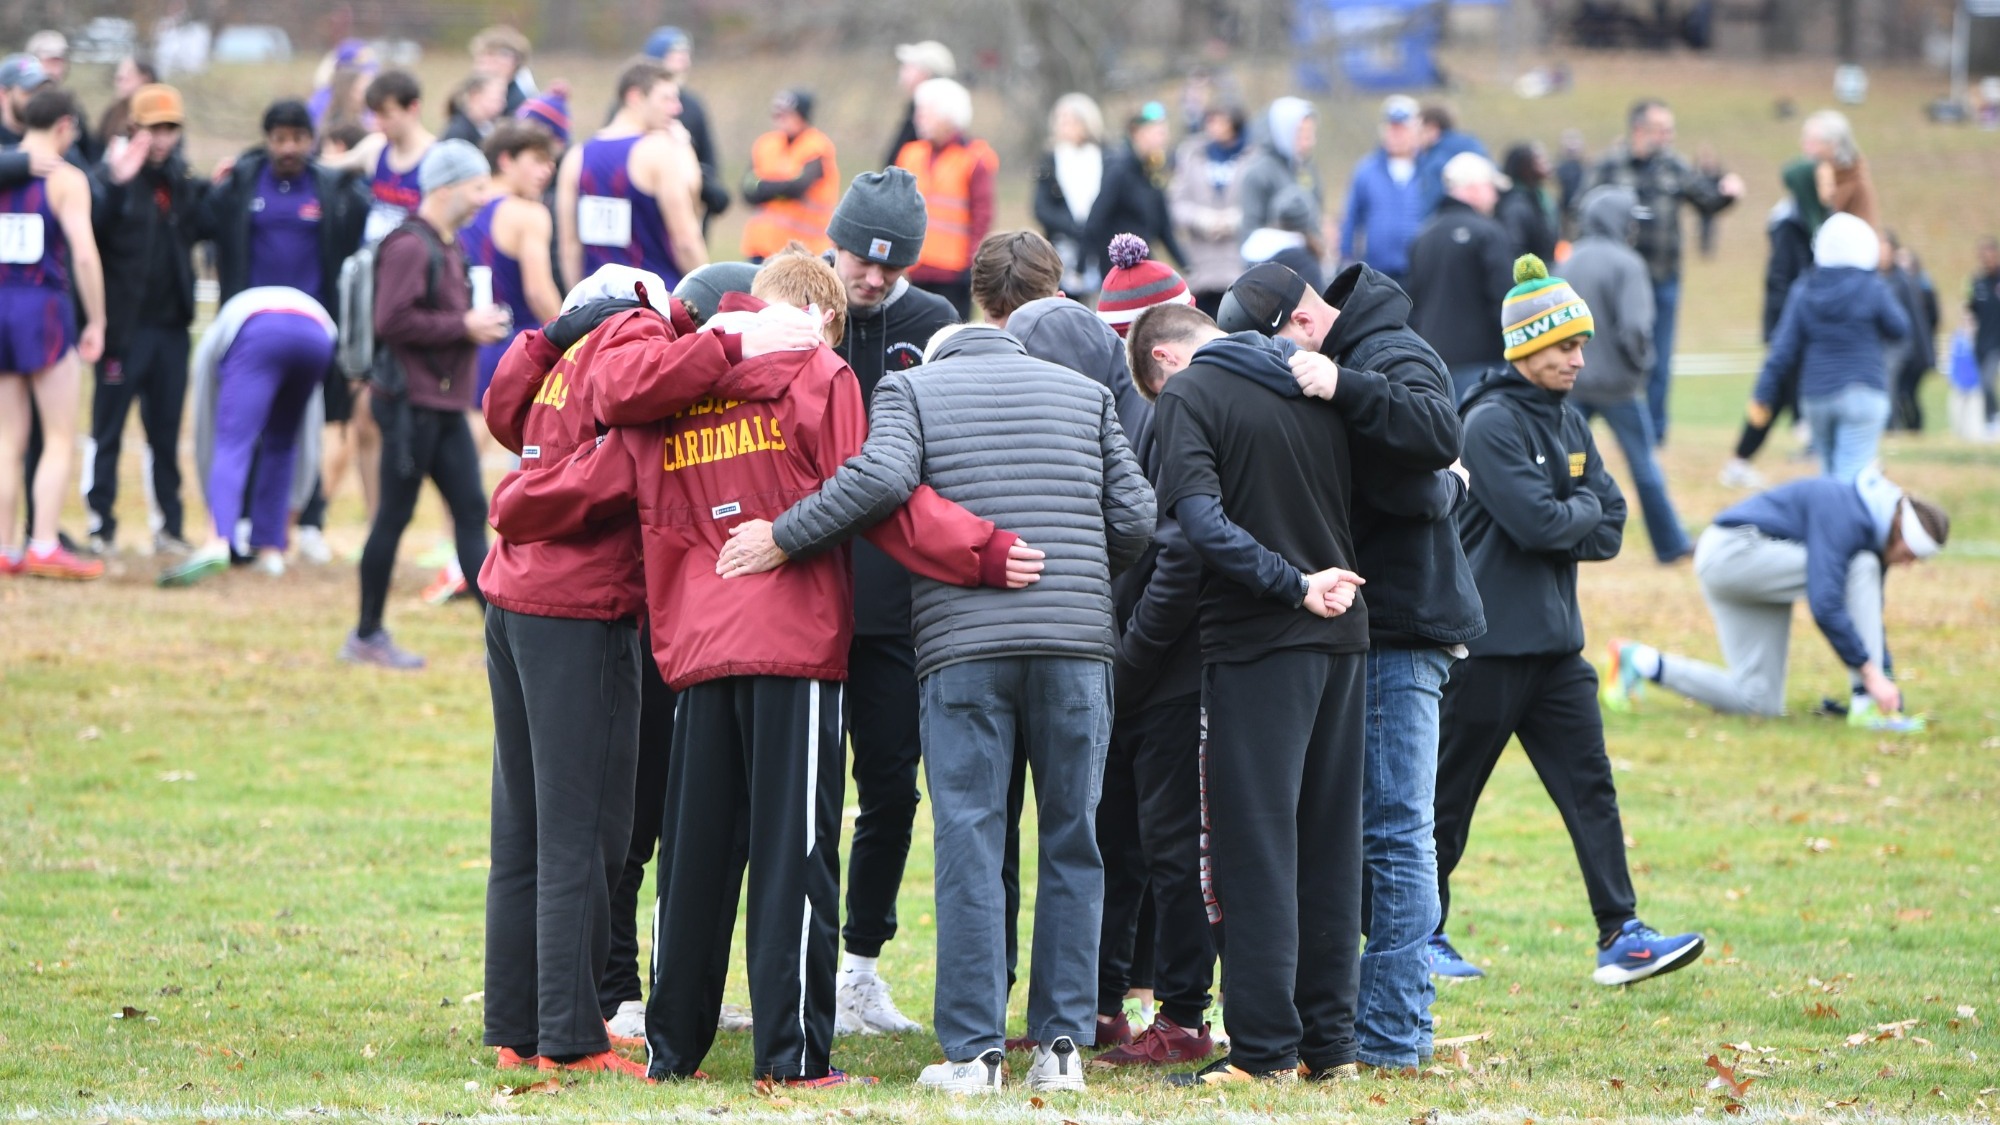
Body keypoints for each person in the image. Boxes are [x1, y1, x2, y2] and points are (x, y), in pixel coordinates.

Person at [492, 251, 1031, 1087]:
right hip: (793, 642)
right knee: (795, 857)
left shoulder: (675, 385)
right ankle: (792, 1057)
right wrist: (987, 551)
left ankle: (674, 1051)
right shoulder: (820, 373)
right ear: (823, 316)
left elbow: (573, 483)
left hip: (696, 649)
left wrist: (509, 503)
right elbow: (880, 497)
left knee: (694, 860)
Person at [715, 317, 1153, 1095]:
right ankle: (1060, 1049)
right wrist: (1076, 572)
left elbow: (880, 482)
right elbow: (1136, 518)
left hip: (964, 647)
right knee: (1071, 841)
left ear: (941, 353)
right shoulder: (1087, 394)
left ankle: (976, 1052)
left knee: (971, 840)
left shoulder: (908, 387)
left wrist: (785, 535)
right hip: (1078, 642)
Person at [476, 262, 803, 1080]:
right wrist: (733, 341)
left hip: (514, 599)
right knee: (585, 833)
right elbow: (632, 399)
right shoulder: (632, 336)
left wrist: (548, 338)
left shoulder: (568, 354)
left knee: (523, 831)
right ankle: (571, 1036)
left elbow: (505, 417)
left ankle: (518, 1021)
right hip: (577, 610)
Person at [1214, 257, 1480, 1074]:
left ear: (1300, 325)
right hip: (1360, 622)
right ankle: (1347, 1023)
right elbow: (1426, 482)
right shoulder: (1352, 357)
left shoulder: (1387, 349)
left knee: (1396, 831)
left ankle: (1395, 1035)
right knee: (1354, 832)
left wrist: (1342, 391)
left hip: (1401, 622)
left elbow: (1439, 442)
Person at [1432, 254, 1703, 987]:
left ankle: (1621, 934)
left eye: (1581, 345)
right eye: (1564, 346)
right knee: (1445, 801)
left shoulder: (1570, 417)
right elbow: (1541, 524)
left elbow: (1610, 524)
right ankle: (1415, 935)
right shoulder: (1487, 423)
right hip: (1485, 648)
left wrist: (1571, 513)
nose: (1579, 358)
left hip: (1555, 649)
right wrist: (1574, 511)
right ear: (1525, 349)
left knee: (1592, 789)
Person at [1128, 301, 1365, 1086]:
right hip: (1344, 635)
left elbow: (1196, 521)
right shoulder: (1311, 381)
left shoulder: (1194, 393)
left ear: (1167, 365)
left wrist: (1291, 584)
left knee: (1251, 851)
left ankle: (1263, 1053)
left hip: (1263, 642)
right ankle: (1329, 1049)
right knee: (1329, 846)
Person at [815, 170, 963, 1035]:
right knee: (787, 793)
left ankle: (859, 968)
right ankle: (765, 955)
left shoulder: (931, 326)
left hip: (896, 605)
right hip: (805, 590)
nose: (870, 278)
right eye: (857, 260)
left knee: (890, 791)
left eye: (890, 265)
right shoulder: (797, 310)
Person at [1076, 254, 1216, 1070]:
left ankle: (1184, 1010)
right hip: (1132, 654)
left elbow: (1178, 556)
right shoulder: (1136, 408)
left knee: (1170, 842)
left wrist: (1127, 665)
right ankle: (1102, 1000)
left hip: (1164, 663)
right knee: (1117, 835)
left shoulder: (1175, 413)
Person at [339, 140, 512, 669]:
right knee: (393, 516)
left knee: (469, 513)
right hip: (410, 406)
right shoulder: (411, 246)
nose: (486, 197)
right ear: (447, 186)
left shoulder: (448, 244)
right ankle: (366, 634)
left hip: (441, 405)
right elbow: (391, 321)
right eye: (479, 186)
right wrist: (464, 326)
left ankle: (503, 644)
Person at [1604, 471, 1945, 731]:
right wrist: (1871, 677)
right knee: (1862, 565)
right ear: (1898, 529)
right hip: (1733, 552)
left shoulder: (1873, 532)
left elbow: (1869, 615)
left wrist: (1886, 676)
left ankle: (1640, 661)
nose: (1909, 565)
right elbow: (1825, 604)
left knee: (1757, 701)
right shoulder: (1846, 512)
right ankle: (1866, 705)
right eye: (1910, 554)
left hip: (1744, 569)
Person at [202, 98, 372, 563]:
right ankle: (251, 536)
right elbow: (199, 220)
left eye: (298, 138)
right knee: (259, 434)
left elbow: (370, 219)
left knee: (272, 437)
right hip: (251, 322)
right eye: (280, 138)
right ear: (267, 139)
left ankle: (249, 536)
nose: (289, 147)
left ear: (311, 139)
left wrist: (355, 166)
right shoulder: (240, 184)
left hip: (311, 329)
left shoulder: (331, 189)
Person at [82, 84, 205, 559]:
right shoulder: (110, 179)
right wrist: (113, 182)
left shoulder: (180, 181)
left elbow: (203, 224)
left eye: (171, 128)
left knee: (166, 434)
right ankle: (100, 525)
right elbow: (89, 231)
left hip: (171, 330)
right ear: (134, 127)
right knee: (107, 430)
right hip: (123, 331)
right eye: (154, 128)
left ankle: (169, 527)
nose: (162, 139)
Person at [1586, 98, 1744, 445]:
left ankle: (1653, 433)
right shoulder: (1610, 166)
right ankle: (1589, 427)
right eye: (1663, 129)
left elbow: (1706, 201)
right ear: (1640, 130)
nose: (1669, 136)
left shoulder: (1674, 166)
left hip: (1662, 279)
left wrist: (1728, 194)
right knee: (1603, 352)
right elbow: (1582, 209)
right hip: (1613, 285)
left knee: (1658, 356)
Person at [160, 288, 337, 585]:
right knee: (283, 444)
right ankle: (271, 549)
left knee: (232, 442)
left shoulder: (216, 337)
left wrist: (211, 506)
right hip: (318, 339)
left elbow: (209, 429)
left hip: (260, 334)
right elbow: (310, 435)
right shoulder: (295, 307)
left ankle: (217, 541)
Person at [0, 88, 104, 579]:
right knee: (59, 435)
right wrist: (98, 319)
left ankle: (5, 547)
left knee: (6, 439)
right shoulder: (66, 179)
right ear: (64, 126)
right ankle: (43, 541)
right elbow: (83, 253)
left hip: (1, 301)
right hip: (43, 305)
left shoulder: (6, 168)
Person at [1564, 186, 1692, 563]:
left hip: (1572, 385)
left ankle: (1564, 539)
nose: (1635, 228)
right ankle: (1670, 544)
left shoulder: (1568, 260)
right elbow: (1636, 328)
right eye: (1632, 220)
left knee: (1571, 463)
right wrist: (1642, 366)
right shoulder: (1627, 264)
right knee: (1644, 466)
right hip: (1619, 388)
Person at [1751, 213, 1906, 482]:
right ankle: (1842, 522)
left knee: (1830, 473)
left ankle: (1830, 520)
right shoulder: (1872, 287)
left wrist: (1762, 393)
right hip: (1863, 390)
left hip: (1817, 395)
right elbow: (1900, 328)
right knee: (1851, 476)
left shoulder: (1804, 288)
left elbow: (1782, 349)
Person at [556, 61, 706, 294]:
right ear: (635, 96)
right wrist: (709, 297)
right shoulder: (658, 151)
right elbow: (686, 239)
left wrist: (580, 306)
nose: (676, 109)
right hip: (655, 304)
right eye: (666, 99)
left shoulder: (576, 157)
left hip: (599, 306)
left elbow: (569, 246)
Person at [1720, 159, 1822, 490]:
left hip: (1795, 323)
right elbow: (1780, 279)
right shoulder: (1789, 223)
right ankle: (1745, 459)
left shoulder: (1805, 218)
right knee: (1778, 392)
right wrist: (1783, 330)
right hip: (1789, 325)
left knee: (1777, 395)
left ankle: (1740, 460)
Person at [460, 121, 562, 407]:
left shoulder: (460, 204)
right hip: (514, 346)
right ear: (506, 160)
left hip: (463, 343)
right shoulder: (528, 214)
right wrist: (573, 340)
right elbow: (538, 294)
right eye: (538, 161)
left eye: (551, 164)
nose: (547, 172)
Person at [1406, 153, 1514, 400]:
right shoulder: (1488, 232)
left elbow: (1413, 304)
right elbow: (1505, 300)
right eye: (1491, 187)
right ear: (1474, 187)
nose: (1496, 196)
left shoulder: (1423, 236)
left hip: (1433, 363)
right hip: (1484, 362)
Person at [894, 77, 997, 319]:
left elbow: (982, 216)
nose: (918, 119)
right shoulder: (910, 153)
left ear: (949, 116)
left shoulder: (975, 157)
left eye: (926, 113)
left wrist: (972, 263)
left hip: (954, 272)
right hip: (914, 267)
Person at [640, 26, 728, 229]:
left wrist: (707, 186)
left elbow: (708, 158)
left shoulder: (693, 106)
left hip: (687, 207)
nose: (685, 63)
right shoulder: (633, 105)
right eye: (677, 56)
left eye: (686, 56)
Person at [1168, 103, 1250, 316]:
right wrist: (1202, 219)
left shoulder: (1253, 156)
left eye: (1220, 120)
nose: (1214, 127)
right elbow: (1176, 203)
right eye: (1210, 121)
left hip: (1241, 262)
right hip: (1201, 263)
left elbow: (1264, 202)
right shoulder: (1192, 155)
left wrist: (1238, 219)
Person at [1338, 95, 1427, 289]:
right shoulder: (1366, 170)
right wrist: (1346, 255)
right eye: (1392, 129)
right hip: (1378, 271)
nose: (1396, 136)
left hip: (1419, 271)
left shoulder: (1428, 169)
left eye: (1402, 130)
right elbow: (1351, 217)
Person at [740, 89, 839, 261]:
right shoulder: (765, 144)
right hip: (762, 247)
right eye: (777, 114)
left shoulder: (817, 146)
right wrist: (782, 186)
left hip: (802, 252)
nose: (780, 119)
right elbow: (748, 189)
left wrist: (764, 186)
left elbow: (798, 186)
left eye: (786, 114)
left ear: (802, 116)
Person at [1092, 102, 1185, 273]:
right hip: (1118, 267)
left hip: (1143, 262)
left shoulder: (1152, 171)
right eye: (1158, 132)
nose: (1163, 138)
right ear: (1138, 133)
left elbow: (1164, 227)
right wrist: (1081, 267)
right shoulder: (1118, 170)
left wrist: (1186, 265)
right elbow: (1096, 219)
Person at [1032, 93, 1108, 298]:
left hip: (1100, 244)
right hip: (1063, 245)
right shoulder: (1050, 160)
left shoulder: (1105, 155)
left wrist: (1092, 227)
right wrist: (1072, 228)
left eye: (1072, 120)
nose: (1065, 126)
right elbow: (1041, 207)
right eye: (1061, 120)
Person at [1238, 96, 1321, 244]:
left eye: (1311, 133)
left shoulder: (1307, 169)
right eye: (1302, 133)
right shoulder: (1258, 174)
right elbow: (1249, 233)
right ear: (1283, 130)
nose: (1309, 141)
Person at [1884, 235, 1938, 432]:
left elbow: (1920, 321)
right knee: (1900, 393)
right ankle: (1900, 428)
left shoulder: (1905, 283)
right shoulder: (1881, 280)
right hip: (1890, 348)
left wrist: (1926, 354)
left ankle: (1907, 428)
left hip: (1908, 350)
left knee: (1904, 393)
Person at [1801, 109, 1877, 237]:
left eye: (1812, 142)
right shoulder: (1811, 176)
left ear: (1833, 144)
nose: (1805, 147)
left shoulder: (1855, 183)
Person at [884, 40, 956, 170]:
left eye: (910, 67)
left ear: (926, 74)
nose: (903, 72)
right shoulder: (914, 109)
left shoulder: (934, 119)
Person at [1412, 103, 1487, 216]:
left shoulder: (1436, 161)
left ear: (1432, 128)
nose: (1416, 137)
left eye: (1420, 131)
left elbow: (1429, 204)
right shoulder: (1473, 145)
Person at [1496, 142, 1559, 264]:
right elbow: (1515, 248)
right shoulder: (1516, 205)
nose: (1547, 165)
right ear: (1524, 167)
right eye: (1539, 160)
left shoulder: (1538, 197)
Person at [1966, 236, 2000, 427]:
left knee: (1988, 382)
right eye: (1983, 256)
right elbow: (1971, 310)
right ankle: (1990, 422)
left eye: (1989, 255)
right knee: (1983, 385)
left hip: (1997, 342)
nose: (1986, 259)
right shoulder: (1977, 282)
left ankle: (1994, 418)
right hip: (1981, 342)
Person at [469, 25, 536, 115]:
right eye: (481, 58)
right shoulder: (471, 93)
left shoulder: (517, 101)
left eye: (491, 56)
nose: (484, 64)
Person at [95, 55, 158, 145]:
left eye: (128, 73)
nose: (120, 77)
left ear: (145, 79)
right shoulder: (113, 113)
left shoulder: (160, 114)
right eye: (120, 72)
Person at [441, 73, 507, 146]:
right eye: (496, 99)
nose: (503, 102)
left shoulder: (486, 127)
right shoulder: (458, 134)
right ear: (475, 96)